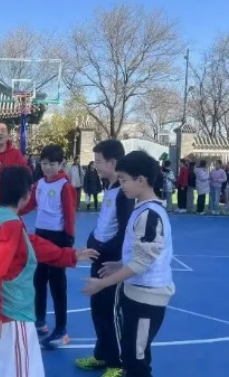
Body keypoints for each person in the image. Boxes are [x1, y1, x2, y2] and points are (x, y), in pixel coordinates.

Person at [0, 166, 99, 377]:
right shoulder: (9, 225)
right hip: (12, 312)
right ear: (26, 196)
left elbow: (30, 244)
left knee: (4, 367)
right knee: (21, 368)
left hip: (7, 311)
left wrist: (69, 255)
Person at [83, 150, 175, 377]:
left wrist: (103, 283)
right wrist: (120, 264)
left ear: (141, 180)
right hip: (136, 294)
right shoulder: (141, 209)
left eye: (124, 180)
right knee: (131, 349)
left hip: (147, 298)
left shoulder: (150, 215)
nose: (121, 185)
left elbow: (142, 263)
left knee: (136, 358)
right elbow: (137, 255)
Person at [75, 140, 134, 377]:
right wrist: (92, 242)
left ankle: (117, 363)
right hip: (99, 258)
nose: (95, 165)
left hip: (111, 263)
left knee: (110, 313)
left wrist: (106, 251)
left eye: (99, 161)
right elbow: (104, 223)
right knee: (98, 309)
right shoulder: (109, 187)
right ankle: (102, 355)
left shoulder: (124, 193)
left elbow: (124, 232)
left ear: (113, 162)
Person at [19, 144, 76, 348]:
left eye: (52, 163)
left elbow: (69, 214)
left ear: (61, 164)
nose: (47, 167)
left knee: (57, 284)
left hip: (58, 237)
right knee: (39, 280)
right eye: (44, 163)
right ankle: (40, 321)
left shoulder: (65, 186)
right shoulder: (40, 184)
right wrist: (11, 210)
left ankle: (61, 330)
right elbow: (30, 204)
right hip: (40, 235)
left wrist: (69, 240)